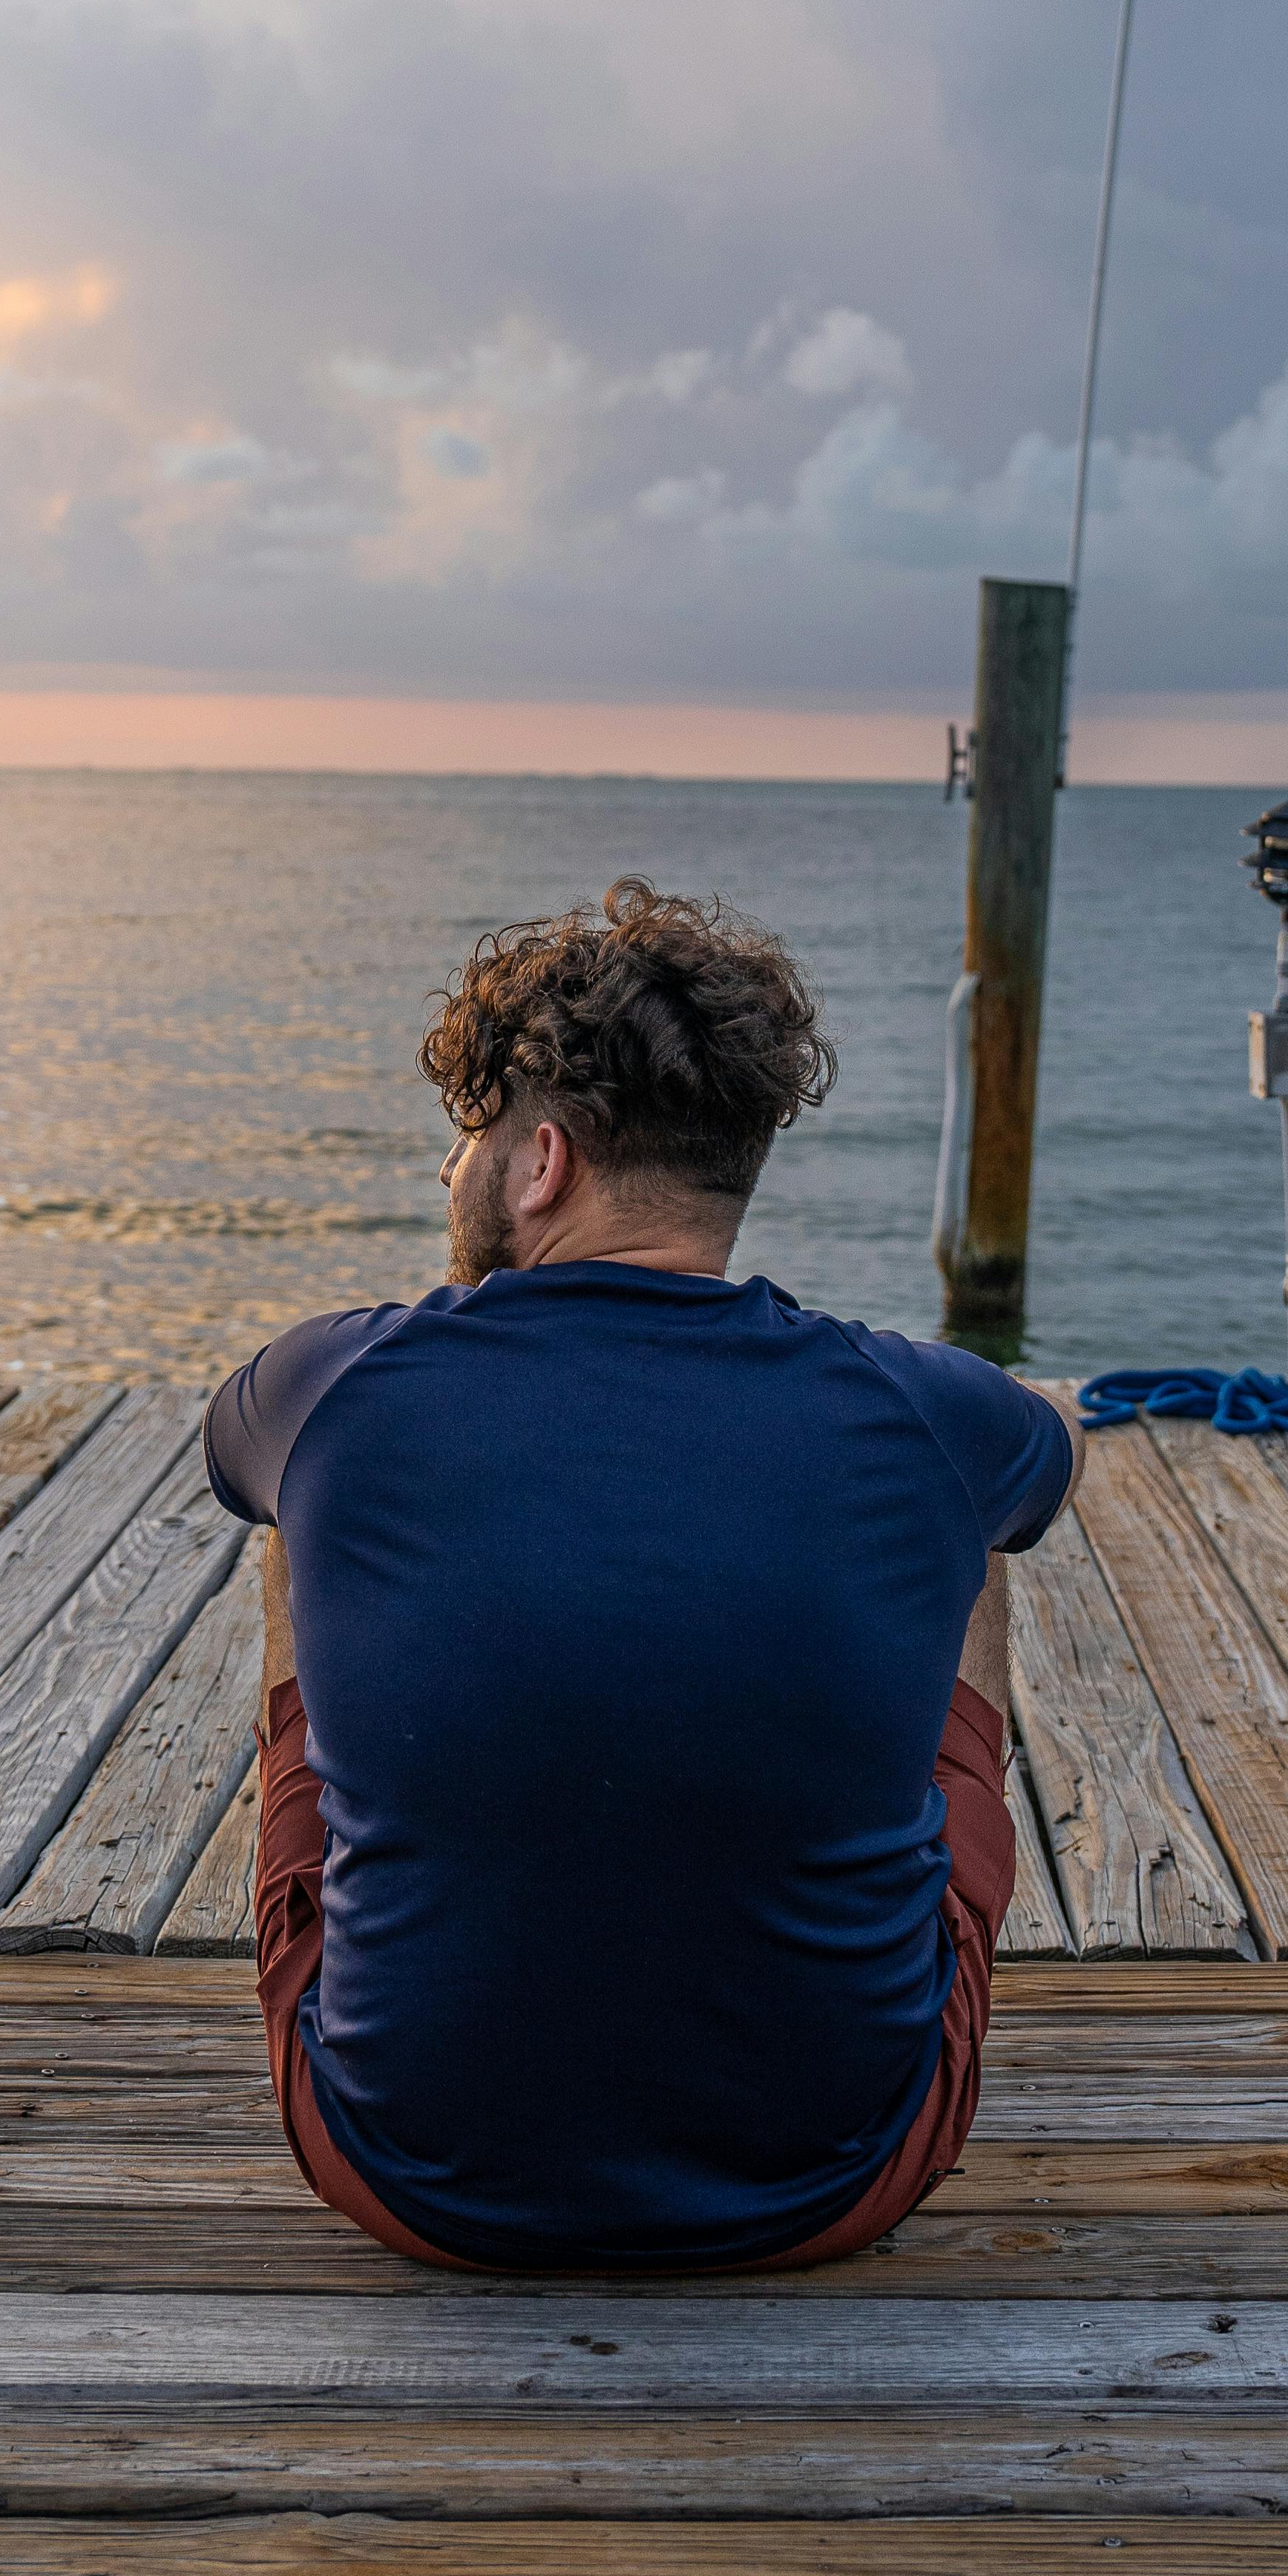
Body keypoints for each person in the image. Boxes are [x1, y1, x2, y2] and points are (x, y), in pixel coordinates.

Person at [204, 877, 1083, 2273]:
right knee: (961, 1530)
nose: (453, 1175)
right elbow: (1043, 1465)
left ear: (540, 1161)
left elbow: (229, 1456)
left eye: (466, 1139)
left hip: (411, 2168)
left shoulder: (334, 1381)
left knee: (298, 1526)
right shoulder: (922, 1405)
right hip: (832, 2177)